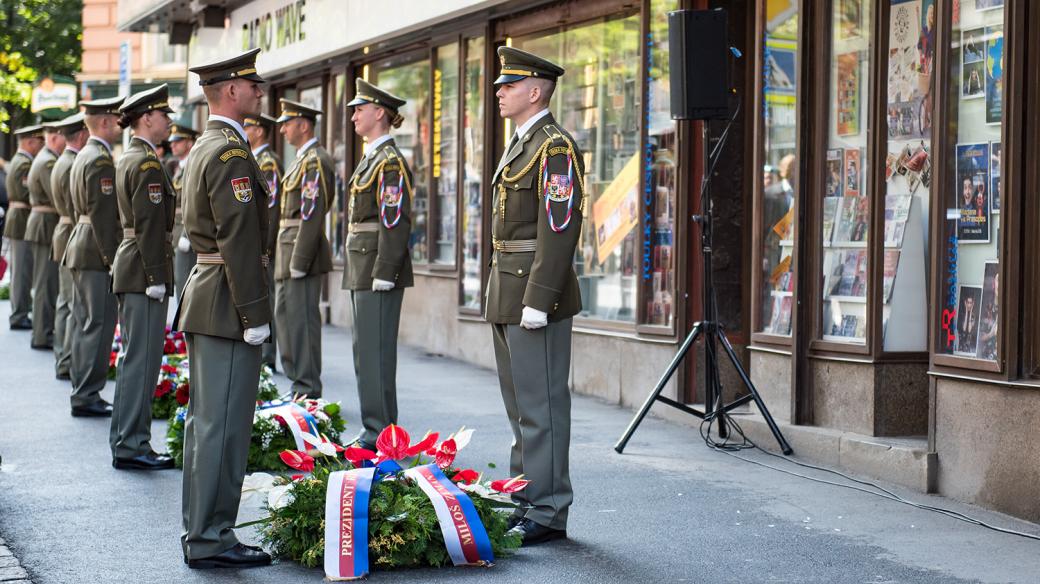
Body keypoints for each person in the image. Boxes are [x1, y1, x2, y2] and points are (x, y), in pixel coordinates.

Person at [174, 48, 272, 569]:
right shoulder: (230, 152)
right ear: (231, 91)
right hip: (228, 300)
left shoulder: (207, 145)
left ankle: (201, 530)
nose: (259, 90)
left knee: (208, 424)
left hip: (210, 293)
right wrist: (255, 313)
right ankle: (212, 536)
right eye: (251, 84)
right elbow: (237, 237)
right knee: (223, 427)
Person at [486, 46, 584, 545]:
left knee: (543, 406)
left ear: (534, 91)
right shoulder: (522, 142)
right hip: (508, 285)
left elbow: (559, 228)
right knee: (521, 406)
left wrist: (538, 299)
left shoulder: (555, 147)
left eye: (508, 85)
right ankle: (526, 496)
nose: (499, 92)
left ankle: (548, 509)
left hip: (532, 290)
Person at [341, 79, 413, 449]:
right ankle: (378, 429)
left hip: (375, 270)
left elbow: (395, 220)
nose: (354, 115)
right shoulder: (372, 157)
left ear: (379, 113)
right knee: (365, 352)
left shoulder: (389, 162)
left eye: (360, 109)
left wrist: (386, 270)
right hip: (362, 265)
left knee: (375, 354)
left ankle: (380, 432)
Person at [109, 85, 177, 471]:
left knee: (135, 358)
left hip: (133, 266)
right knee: (143, 360)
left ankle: (126, 438)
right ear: (147, 117)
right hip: (143, 269)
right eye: (164, 115)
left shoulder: (134, 156)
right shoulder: (147, 163)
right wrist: (156, 275)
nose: (168, 122)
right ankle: (133, 443)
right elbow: (150, 225)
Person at [64, 96, 125, 418]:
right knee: (98, 325)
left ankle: (82, 388)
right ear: (104, 122)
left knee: (85, 323)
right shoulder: (100, 159)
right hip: (94, 250)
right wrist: (112, 257)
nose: (120, 125)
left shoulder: (86, 154)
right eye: (117, 119)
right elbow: (103, 216)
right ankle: (87, 393)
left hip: (81, 244)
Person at [274, 99, 334, 397]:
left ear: (304, 125)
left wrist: (299, 259)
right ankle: (298, 381)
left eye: (287, 123)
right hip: (287, 250)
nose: (282, 129)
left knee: (302, 324)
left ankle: (308, 387)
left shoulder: (315, 161)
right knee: (285, 320)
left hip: (300, 252)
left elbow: (311, 214)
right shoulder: (301, 159)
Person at [50, 113, 88, 380]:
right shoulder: (70, 163)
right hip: (69, 231)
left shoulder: (63, 160)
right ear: (82, 134)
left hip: (64, 231)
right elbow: (74, 206)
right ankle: (65, 359)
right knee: (70, 301)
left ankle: (63, 356)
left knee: (66, 300)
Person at [244, 113, 283, 372]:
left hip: (263, 245)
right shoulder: (255, 159)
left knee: (266, 297)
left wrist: (264, 248)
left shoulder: (267, 163)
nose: (244, 130)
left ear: (259, 131)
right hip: (254, 244)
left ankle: (267, 355)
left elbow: (270, 210)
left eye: (248, 126)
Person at [25, 122, 66, 348]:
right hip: (45, 224)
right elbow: (56, 196)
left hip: (43, 223)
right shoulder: (48, 161)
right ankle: (42, 334)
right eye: (63, 137)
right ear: (53, 139)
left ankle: (42, 332)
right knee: (45, 282)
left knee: (45, 282)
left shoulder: (44, 158)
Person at [5, 125, 45, 331]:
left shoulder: (19, 160)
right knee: (22, 272)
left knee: (21, 271)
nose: (42, 145)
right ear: (30, 142)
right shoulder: (24, 164)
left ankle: (20, 312)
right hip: (21, 219)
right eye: (40, 142)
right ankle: (19, 314)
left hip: (19, 218)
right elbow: (27, 193)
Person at [169, 123, 199, 300]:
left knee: (186, 285)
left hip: (187, 235)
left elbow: (195, 203)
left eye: (178, 141)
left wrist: (187, 235)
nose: (172, 145)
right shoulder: (180, 168)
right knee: (180, 285)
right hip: (177, 232)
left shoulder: (192, 165)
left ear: (189, 143)